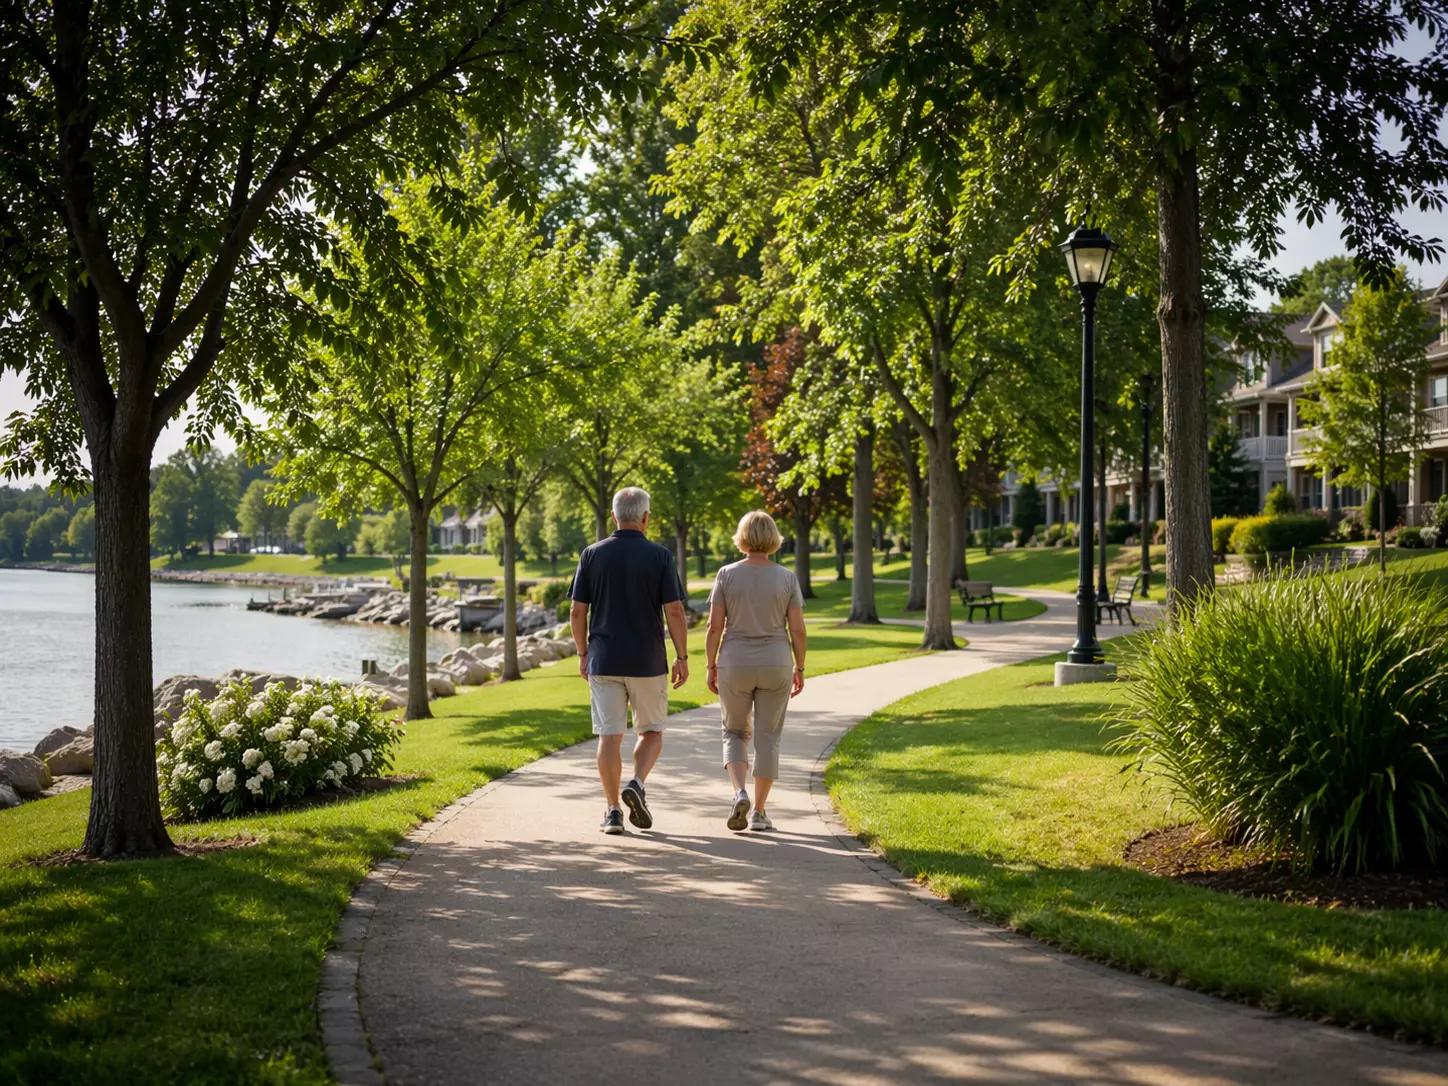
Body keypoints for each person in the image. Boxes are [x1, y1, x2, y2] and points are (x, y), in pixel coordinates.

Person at [569, 487, 690, 835]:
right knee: (651, 731)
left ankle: (611, 813)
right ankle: (636, 782)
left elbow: (578, 611)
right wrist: (681, 656)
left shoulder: (591, 555)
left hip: (604, 659)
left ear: (613, 516)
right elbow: (675, 611)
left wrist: (582, 652)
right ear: (646, 518)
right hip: (647, 660)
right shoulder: (660, 556)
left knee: (609, 736)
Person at [705, 510, 807, 832]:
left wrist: (710, 666)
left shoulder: (725, 575)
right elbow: (799, 630)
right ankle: (760, 813)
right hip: (776, 661)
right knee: (768, 738)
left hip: (734, 661)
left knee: (734, 732)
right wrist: (800, 667)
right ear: (774, 538)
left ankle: (739, 793)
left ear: (742, 537)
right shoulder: (787, 577)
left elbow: (713, 627)